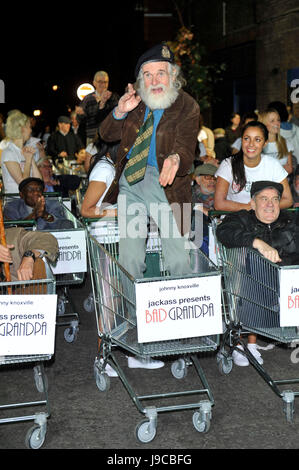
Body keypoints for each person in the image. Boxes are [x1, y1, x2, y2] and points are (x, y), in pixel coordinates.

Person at [99, 43, 200, 369]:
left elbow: (187, 148)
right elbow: (106, 133)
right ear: (140, 79)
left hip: (173, 189)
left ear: (173, 76)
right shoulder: (136, 102)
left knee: (179, 258)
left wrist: (175, 159)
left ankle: (180, 326)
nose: (155, 79)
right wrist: (119, 111)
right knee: (129, 257)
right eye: (148, 73)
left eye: (161, 72)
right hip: (131, 186)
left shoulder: (187, 106)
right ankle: (138, 325)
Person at [216, 180, 299, 366]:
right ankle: (243, 343)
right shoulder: (242, 219)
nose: (270, 204)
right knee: (250, 265)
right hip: (254, 289)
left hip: (289, 290)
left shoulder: (290, 222)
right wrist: (257, 242)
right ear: (253, 203)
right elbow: (224, 232)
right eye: (264, 199)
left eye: (275, 199)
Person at [214, 120, 293, 211]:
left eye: (257, 140)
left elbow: (288, 200)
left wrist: (261, 208)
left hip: (265, 220)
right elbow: (219, 204)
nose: (251, 144)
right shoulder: (228, 164)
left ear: (265, 143)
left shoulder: (273, 165)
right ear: (241, 140)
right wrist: (250, 207)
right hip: (234, 220)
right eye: (247, 139)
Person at [4, 177, 74, 230]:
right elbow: (12, 229)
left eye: (39, 189)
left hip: (49, 241)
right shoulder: (11, 207)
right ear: (21, 195)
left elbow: (65, 224)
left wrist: (45, 215)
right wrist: (34, 215)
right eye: (30, 190)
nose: (36, 192)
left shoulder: (53, 204)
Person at [0, 111, 42, 194]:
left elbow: (39, 182)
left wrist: (31, 159)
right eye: (29, 127)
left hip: (30, 201)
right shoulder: (8, 152)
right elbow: (23, 184)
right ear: (22, 129)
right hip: (15, 202)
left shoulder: (26, 151)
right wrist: (28, 161)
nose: (30, 131)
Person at [76, 71, 119, 145]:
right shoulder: (87, 99)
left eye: (105, 82)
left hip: (110, 137)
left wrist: (103, 103)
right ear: (94, 83)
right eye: (100, 82)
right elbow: (79, 120)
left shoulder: (113, 97)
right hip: (92, 138)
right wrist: (81, 114)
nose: (103, 84)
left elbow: (117, 115)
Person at [80, 141, 119, 218]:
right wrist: (118, 213)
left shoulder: (108, 165)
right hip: (105, 227)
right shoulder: (104, 170)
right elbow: (86, 210)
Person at [191, 163, 217, 256]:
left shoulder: (222, 196)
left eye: (214, 178)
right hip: (197, 241)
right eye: (207, 177)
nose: (212, 181)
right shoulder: (189, 194)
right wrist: (199, 208)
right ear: (198, 180)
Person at [258, 109, 294, 175]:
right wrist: (282, 168)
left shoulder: (286, 143)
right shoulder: (258, 144)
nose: (277, 123)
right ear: (263, 124)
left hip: (282, 183)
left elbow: (289, 169)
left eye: (278, 120)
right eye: (272, 121)